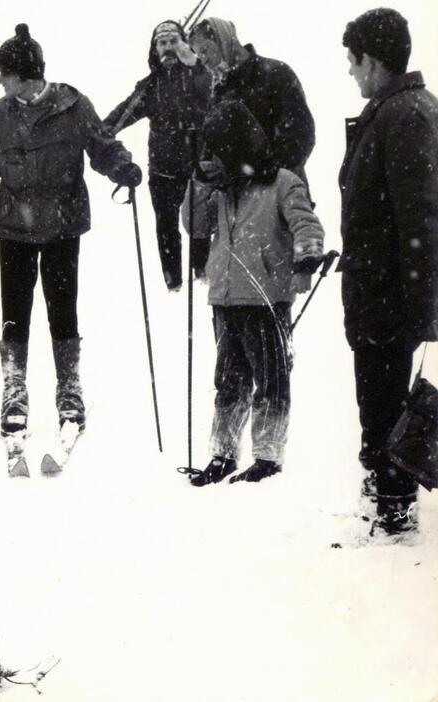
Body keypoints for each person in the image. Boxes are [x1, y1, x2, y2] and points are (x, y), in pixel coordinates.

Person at [0, 24, 142, 464]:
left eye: (4, 74)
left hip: (62, 225)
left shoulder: (73, 105)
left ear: (26, 74)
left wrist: (123, 168)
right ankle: (14, 390)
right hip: (14, 225)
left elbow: (102, 147)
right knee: (14, 314)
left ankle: (69, 390)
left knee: (61, 309)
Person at [183, 100, 324, 487]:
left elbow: (306, 223)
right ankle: (223, 453)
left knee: (271, 381)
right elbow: (192, 226)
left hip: (266, 299)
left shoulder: (282, 182)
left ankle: (268, 455)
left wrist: (307, 258)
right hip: (225, 300)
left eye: (217, 150)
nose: (212, 158)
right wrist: (198, 182)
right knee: (228, 382)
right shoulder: (219, 191)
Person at [339, 8, 438, 544]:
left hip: (389, 297)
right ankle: (386, 502)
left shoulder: (405, 115)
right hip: (380, 291)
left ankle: (394, 514)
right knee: (379, 402)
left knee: (386, 406)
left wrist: (421, 309)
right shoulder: (396, 111)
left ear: (372, 61)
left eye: (352, 62)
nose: (350, 73)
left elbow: (419, 215)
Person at [103, 20, 211, 290]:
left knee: (201, 228)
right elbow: (120, 117)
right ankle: (172, 283)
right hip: (163, 170)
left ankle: (203, 277)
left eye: (174, 41)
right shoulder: (151, 85)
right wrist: (100, 135)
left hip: (200, 169)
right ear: (154, 49)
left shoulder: (201, 75)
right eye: (162, 43)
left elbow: (216, 95)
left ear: (184, 43)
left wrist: (196, 65)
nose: (168, 48)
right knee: (166, 228)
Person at [188, 18, 315, 187]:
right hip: (237, 201)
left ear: (222, 39)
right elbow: (212, 145)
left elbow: (300, 137)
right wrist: (205, 169)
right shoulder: (220, 92)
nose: (202, 60)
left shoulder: (275, 73)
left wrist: (259, 171)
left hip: (280, 194)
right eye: (198, 55)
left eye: (204, 50)